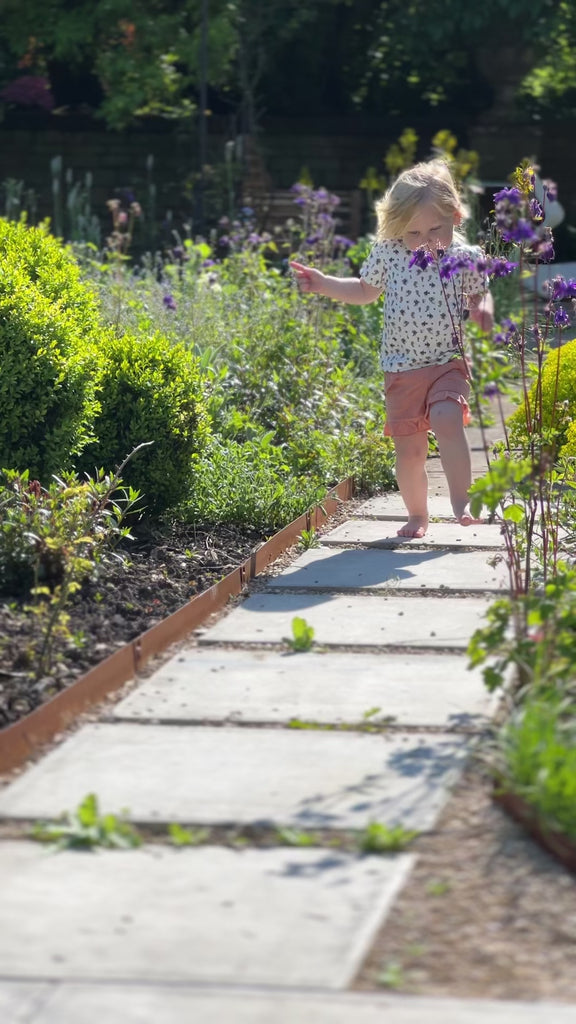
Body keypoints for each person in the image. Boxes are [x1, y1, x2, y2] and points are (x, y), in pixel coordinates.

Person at [291, 158, 494, 538]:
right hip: (401, 367)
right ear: (397, 228)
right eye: (414, 232)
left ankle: (462, 502)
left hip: (447, 362)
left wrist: (482, 310)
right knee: (410, 452)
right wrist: (322, 284)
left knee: (448, 419)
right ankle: (417, 515)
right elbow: (364, 291)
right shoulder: (389, 253)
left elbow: (480, 294)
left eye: (436, 227)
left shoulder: (464, 258)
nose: (427, 239)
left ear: (455, 215)